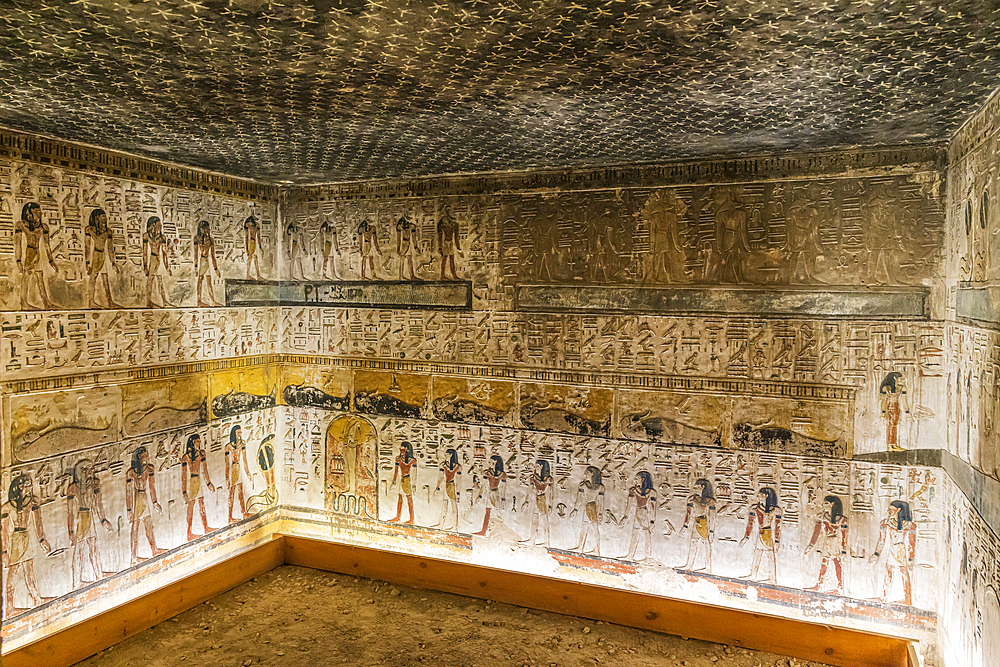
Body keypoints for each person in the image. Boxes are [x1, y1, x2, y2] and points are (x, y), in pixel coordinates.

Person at [2, 473, 52, 617]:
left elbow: (38, 522)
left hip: (26, 537)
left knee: (29, 569)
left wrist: (42, 539)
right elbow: (4, 530)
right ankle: (9, 607)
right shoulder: (8, 507)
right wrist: (5, 552)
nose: (30, 488)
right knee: (13, 571)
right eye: (27, 485)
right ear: (19, 487)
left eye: (30, 485)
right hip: (16, 539)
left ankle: (36, 598)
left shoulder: (32, 502)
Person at [66, 459, 113, 589]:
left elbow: (98, 504)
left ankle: (98, 574)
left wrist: (103, 520)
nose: (91, 472)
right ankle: (76, 582)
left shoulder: (94, 484)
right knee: (79, 550)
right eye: (87, 469)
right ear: (81, 471)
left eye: (91, 469)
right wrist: (71, 532)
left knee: (93, 546)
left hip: (90, 516)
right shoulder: (73, 488)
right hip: (81, 518)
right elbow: (70, 512)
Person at [870, 500, 916, 606]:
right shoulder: (885, 523)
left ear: (899, 510)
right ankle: (884, 597)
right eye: (889, 509)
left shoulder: (909, 525)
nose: (889, 511)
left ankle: (907, 599)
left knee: (903, 571)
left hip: (900, 549)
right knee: (889, 570)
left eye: (892, 509)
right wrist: (876, 554)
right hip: (892, 549)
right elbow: (881, 540)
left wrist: (911, 559)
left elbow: (911, 543)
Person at [14, 202, 58, 309]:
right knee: (27, 276)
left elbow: (47, 245)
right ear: (31, 212)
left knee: (40, 277)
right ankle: (24, 303)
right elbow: (18, 244)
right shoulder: (21, 225)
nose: (40, 213)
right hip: (30, 252)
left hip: (37, 252)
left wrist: (51, 261)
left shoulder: (43, 226)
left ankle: (46, 303)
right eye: (37, 210)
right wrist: (18, 260)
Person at [125, 446, 165, 565]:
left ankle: (154, 549)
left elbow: (151, 486)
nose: (147, 457)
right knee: (135, 529)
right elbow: (128, 492)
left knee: (148, 526)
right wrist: (129, 510)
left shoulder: (150, 469)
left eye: (147, 455)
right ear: (139, 457)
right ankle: (133, 557)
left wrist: (155, 502)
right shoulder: (131, 472)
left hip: (144, 498)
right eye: (145, 456)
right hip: (137, 499)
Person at [804, 495, 848, 595]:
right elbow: (816, 532)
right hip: (827, 542)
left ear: (832, 504)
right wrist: (811, 545)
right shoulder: (822, 517)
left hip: (835, 543)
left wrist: (844, 550)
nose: (823, 505)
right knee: (824, 563)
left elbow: (844, 536)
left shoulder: (842, 519)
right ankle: (819, 585)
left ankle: (840, 586)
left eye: (826, 503)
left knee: (837, 564)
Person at [739, 487, 782, 583]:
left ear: (767, 496)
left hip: (768, 534)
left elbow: (777, 526)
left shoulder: (775, 510)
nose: (758, 497)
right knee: (757, 554)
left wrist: (777, 540)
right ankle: (753, 575)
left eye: (761, 495)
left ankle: (773, 578)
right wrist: (746, 537)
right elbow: (750, 524)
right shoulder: (755, 508)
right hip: (760, 533)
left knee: (770, 555)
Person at [181, 434, 216, 541]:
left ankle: (205, 527)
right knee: (191, 505)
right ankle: (189, 533)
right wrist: (184, 492)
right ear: (192, 442)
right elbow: (183, 476)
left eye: (199, 441)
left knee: (201, 502)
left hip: (199, 480)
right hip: (192, 482)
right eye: (197, 441)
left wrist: (208, 483)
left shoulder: (202, 454)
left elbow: (204, 470)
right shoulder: (186, 457)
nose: (199, 443)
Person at [85, 208, 122, 309]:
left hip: (102, 255)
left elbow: (110, 248)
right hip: (95, 256)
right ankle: (91, 301)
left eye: (105, 218)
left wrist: (113, 262)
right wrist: (87, 262)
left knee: (105, 279)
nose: (105, 220)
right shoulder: (89, 230)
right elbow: (87, 247)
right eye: (102, 218)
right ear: (97, 219)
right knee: (93, 277)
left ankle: (110, 302)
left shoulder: (108, 231)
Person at [618, 471, 657, 561]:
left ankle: (648, 557)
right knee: (635, 534)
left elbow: (653, 508)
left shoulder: (652, 492)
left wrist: (652, 522)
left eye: (637, 479)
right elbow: (629, 505)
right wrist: (625, 517)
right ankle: (630, 555)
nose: (635, 481)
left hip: (645, 514)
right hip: (638, 513)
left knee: (646, 535)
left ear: (642, 480)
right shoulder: (633, 490)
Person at [681, 478, 716, 571]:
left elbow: (712, 517)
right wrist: (685, 526)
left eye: (697, 486)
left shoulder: (710, 501)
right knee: (693, 544)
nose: (694, 488)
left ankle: (707, 567)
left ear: (702, 487)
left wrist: (711, 531)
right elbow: (688, 514)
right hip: (696, 523)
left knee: (706, 545)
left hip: (704, 524)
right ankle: (689, 565)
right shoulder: (692, 499)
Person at [569, 466, 605, 556]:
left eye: (587, 472)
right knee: (584, 527)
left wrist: (600, 513)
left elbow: (600, 501)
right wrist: (575, 509)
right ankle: (580, 547)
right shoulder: (583, 485)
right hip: (587, 507)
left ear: (592, 474)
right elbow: (579, 498)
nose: (585, 474)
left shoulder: (600, 487)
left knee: (595, 529)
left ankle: (596, 549)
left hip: (594, 508)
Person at [519, 459, 553, 546]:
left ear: (542, 467)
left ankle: (546, 541)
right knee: (534, 520)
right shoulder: (533, 478)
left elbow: (551, 493)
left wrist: (550, 505)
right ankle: (532, 539)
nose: (535, 468)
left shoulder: (549, 479)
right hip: (536, 499)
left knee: (544, 521)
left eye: (537, 466)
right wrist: (526, 502)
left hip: (543, 500)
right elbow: (530, 491)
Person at [142, 216, 173, 308]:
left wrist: (167, 267)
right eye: (158, 224)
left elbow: (164, 253)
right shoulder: (146, 235)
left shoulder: (162, 237)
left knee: (160, 281)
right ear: (152, 225)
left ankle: (164, 301)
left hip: (158, 259)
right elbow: (144, 252)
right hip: (152, 258)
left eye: (160, 224)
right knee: (150, 280)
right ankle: (148, 301)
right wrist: (145, 266)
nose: (160, 226)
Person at [474, 454, 507, 536]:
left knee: (497, 514)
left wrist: (503, 500)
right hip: (490, 494)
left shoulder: (502, 474)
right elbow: (484, 485)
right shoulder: (488, 473)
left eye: (491, 461)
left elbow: (503, 488)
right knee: (487, 513)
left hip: (496, 495)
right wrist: (480, 496)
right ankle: (483, 531)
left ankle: (497, 533)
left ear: (495, 462)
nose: (489, 463)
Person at [225, 425, 251, 524]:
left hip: (238, 468)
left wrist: (247, 472)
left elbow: (244, 459)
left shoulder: (242, 443)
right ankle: (229, 517)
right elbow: (227, 463)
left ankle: (244, 513)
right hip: (232, 469)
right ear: (234, 433)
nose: (240, 434)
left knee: (240, 492)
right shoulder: (228, 446)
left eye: (240, 432)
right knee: (231, 493)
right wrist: (227, 477)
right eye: (238, 432)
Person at [388, 441, 417, 525]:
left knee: (409, 499)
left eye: (402, 449)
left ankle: (411, 519)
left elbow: (414, 474)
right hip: (402, 480)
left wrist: (414, 486)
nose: (400, 450)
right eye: (400, 449)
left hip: (408, 481)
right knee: (400, 499)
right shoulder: (398, 459)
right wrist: (393, 482)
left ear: (407, 450)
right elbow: (396, 471)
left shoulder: (413, 461)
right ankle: (398, 517)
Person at [194, 220, 222, 307]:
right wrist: (196, 266)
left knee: (209, 281)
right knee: (200, 280)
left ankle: (212, 300)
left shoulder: (211, 240)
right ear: (202, 229)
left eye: (208, 229)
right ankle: (199, 301)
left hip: (207, 261)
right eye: (206, 229)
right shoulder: (197, 238)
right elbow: (195, 254)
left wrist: (216, 268)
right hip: (202, 261)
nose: (208, 230)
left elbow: (213, 255)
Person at [433, 448, 462, 531]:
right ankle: (441, 525)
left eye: (447, 454)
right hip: (446, 486)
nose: (445, 456)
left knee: (453, 507)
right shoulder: (443, 465)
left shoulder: (458, 467)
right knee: (444, 506)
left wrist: (458, 493)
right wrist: (437, 488)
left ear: (451, 455)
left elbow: (458, 481)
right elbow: (440, 477)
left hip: (452, 486)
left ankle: (455, 527)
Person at [880, 372, 908, 452]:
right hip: (890, 406)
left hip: (896, 406)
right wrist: (884, 411)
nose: (902, 380)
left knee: (894, 424)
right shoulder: (886, 388)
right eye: (901, 379)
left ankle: (894, 444)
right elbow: (884, 400)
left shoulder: (902, 387)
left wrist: (907, 410)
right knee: (891, 425)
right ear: (895, 378)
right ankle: (890, 445)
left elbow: (904, 400)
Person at [437, 206, 463, 280]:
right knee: (444, 259)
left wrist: (459, 248)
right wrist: (440, 247)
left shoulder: (455, 224)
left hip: (450, 242)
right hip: (445, 243)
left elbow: (456, 237)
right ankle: (442, 276)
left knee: (451, 258)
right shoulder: (442, 222)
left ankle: (454, 275)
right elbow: (440, 236)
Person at [357, 216, 381, 280]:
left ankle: (373, 275)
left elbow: (375, 239)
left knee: (371, 260)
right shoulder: (361, 229)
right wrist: (360, 249)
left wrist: (377, 249)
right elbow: (360, 239)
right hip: (365, 244)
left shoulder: (373, 228)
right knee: (364, 259)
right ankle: (363, 276)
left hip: (370, 244)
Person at [396, 214, 419, 280]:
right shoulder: (400, 226)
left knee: (409, 258)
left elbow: (414, 238)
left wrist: (415, 247)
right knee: (402, 258)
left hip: (408, 243)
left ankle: (412, 276)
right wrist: (398, 249)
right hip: (403, 243)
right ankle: (401, 276)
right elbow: (398, 238)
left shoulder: (412, 226)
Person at [244, 214, 263, 280]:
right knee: (250, 259)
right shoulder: (247, 225)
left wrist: (260, 245)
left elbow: (258, 236)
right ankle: (248, 275)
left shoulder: (257, 225)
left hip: (254, 242)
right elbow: (247, 236)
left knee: (255, 259)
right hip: (250, 242)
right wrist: (246, 247)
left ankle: (258, 275)